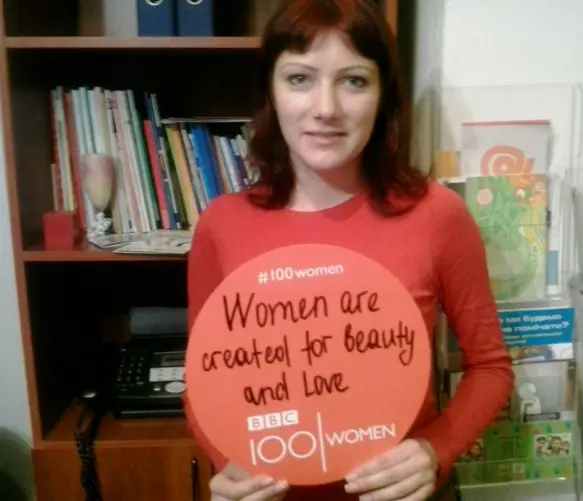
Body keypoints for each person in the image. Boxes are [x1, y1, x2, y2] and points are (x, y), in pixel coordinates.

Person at [185, 0, 515, 500]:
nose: (326, 108)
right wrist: (227, 463)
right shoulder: (221, 225)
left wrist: (435, 449)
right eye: (299, 78)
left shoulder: (437, 216)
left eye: (354, 80)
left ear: (383, 95)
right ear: (271, 93)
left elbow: (491, 367)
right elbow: (201, 382)